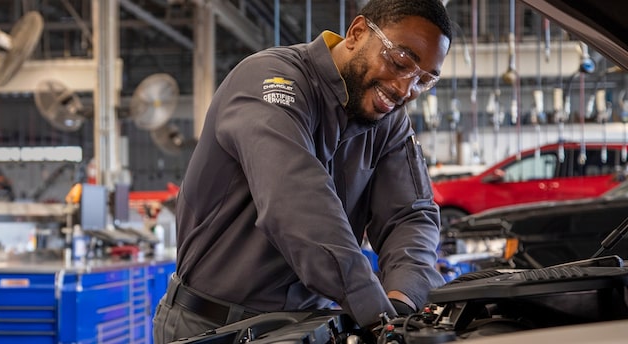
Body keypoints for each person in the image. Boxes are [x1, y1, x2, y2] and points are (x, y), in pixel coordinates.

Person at [152, 0, 452, 342]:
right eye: (400, 62)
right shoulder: (270, 82)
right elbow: (295, 204)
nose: (404, 89)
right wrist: (374, 311)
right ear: (356, 33)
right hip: (215, 328)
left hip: (309, 329)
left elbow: (409, 215)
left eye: (423, 81)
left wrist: (403, 301)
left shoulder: (388, 120)